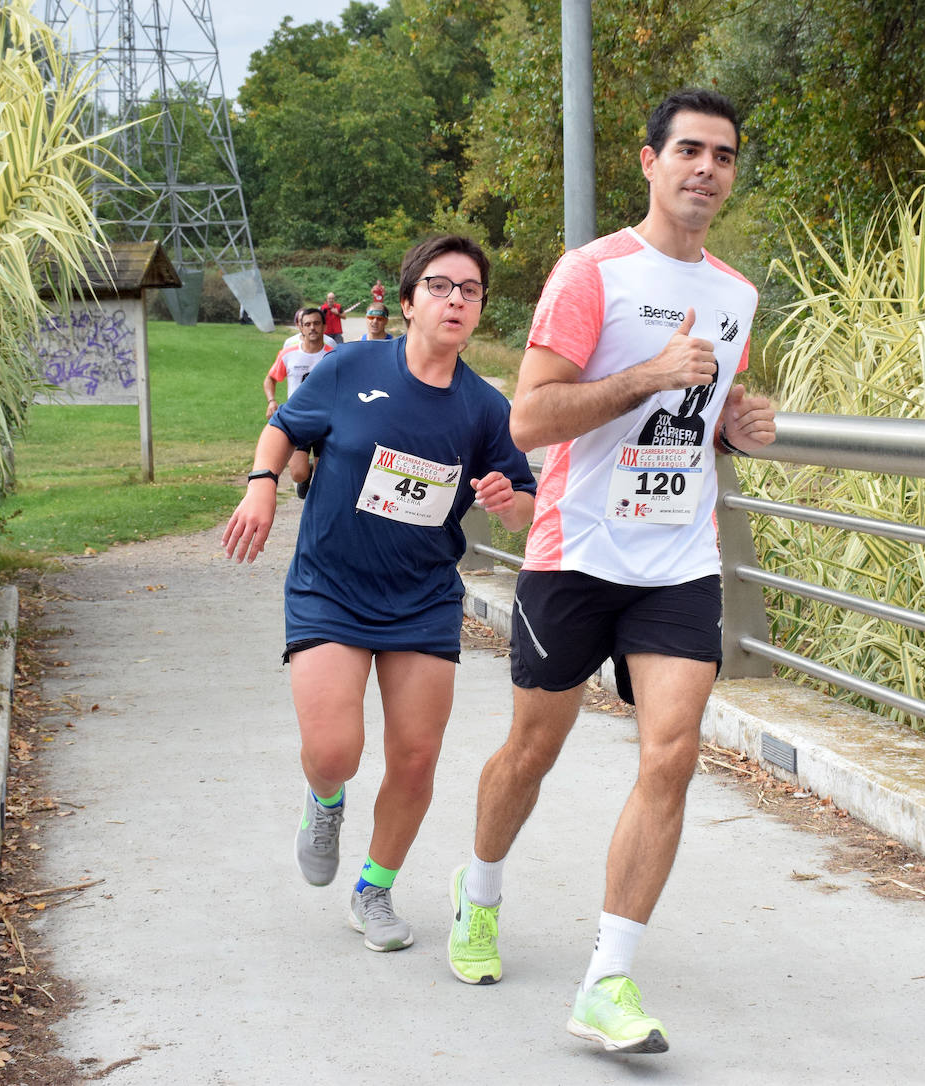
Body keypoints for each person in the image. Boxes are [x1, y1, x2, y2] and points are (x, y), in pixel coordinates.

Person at [446, 88, 777, 1054]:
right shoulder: (591, 274)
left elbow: (696, 416)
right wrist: (643, 376)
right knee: (531, 753)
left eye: (722, 155)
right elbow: (530, 420)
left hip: (678, 559)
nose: (706, 169)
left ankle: (608, 979)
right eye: (688, 151)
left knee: (672, 751)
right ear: (648, 162)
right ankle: (481, 890)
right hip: (577, 553)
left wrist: (736, 428)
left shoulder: (735, 294)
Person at [225, 235, 536, 954]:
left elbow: (522, 501)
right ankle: (325, 800)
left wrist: (505, 498)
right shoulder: (350, 366)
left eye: (470, 290)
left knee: (417, 757)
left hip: (423, 594)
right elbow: (283, 429)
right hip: (331, 586)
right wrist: (262, 486)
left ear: (480, 311)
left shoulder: (485, 408)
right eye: (439, 285)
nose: (456, 298)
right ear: (406, 303)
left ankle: (374, 888)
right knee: (335, 751)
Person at [264, 307, 335, 498]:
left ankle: (317, 507)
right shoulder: (288, 354)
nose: (312, 328)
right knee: (298, 473)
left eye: (316, 323)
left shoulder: (334, 355)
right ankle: (305, 474)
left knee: (324, 478)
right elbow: (270, 379)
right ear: (300, 328)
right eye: (308, 324)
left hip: (326, 420)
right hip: (298, 420)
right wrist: (272, 401)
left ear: (324, 326)